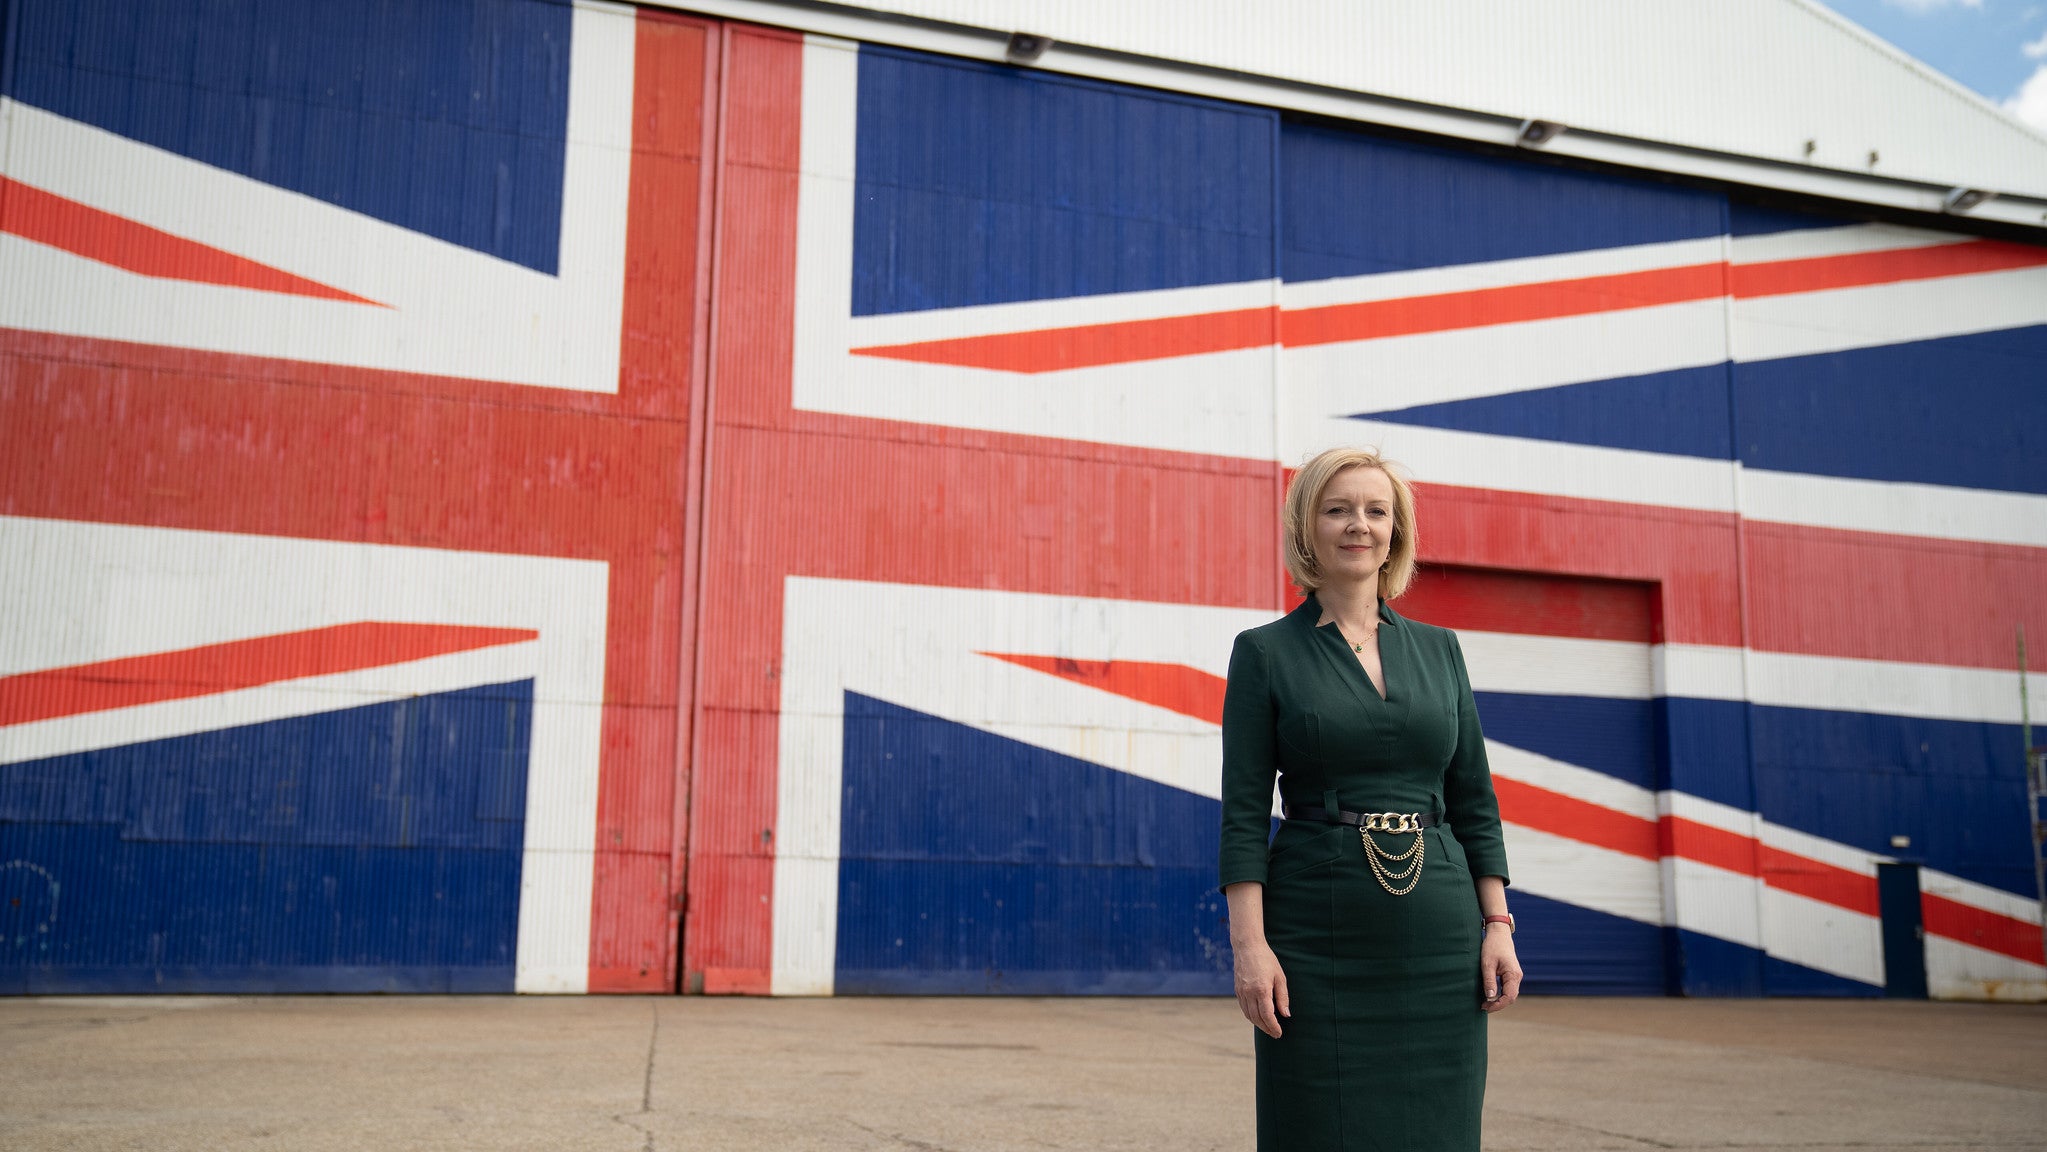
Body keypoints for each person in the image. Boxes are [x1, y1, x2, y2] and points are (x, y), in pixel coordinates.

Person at [1219, 446, 1521, 1151]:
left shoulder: (1441, 649)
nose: (1358, 525)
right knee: (1315, 1126)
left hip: (1438, 932)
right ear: (1306, 528)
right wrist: (1249, 947)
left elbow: (1473, 797)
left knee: (1437, 1130)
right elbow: (1240, 811)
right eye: (1337, 509)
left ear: (1395, 530)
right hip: (1315, 934)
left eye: (1375, 511)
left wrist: (1498, 925)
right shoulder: (1264, 652)